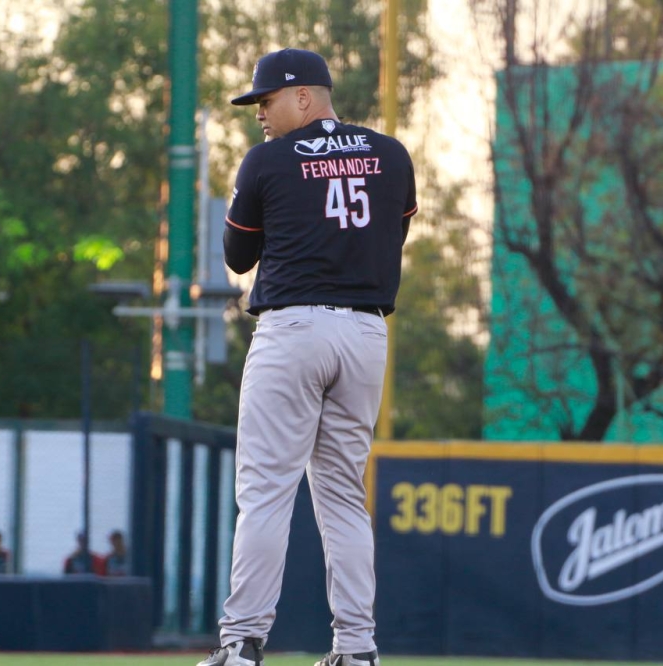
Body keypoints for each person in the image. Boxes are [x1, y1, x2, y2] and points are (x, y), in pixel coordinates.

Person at [200, 48, 416, 666]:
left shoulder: (268, 160)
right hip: (366, 335)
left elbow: (239, 258)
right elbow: (387, 234)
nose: (259, 115)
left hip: (293, 327)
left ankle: (241, 641)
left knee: (266, 491)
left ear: (303, 96)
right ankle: (356, 649)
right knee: (344, 496)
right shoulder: (392, 154)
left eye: (265, 102)